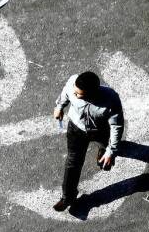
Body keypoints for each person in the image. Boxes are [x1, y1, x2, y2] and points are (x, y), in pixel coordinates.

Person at [51, 70, 125, 211]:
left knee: (105, 151)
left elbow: (116, 126)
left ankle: (103, 151)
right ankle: (68, 197)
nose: (75, 95)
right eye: (75, 92)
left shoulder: (110, 99)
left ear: (92, 94)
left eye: (80, 95)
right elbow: (66, 93)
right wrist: (59, 107)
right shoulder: (73, 83)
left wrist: (111, 151)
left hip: (101, 131)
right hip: (76, 129)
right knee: (73, 161)